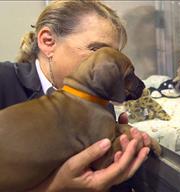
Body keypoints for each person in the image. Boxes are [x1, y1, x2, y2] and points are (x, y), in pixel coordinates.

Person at [0, 0, 151, 191]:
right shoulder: (3, 81)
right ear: (48, 41)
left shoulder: (98, 102)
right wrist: (55, 187)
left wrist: (120, 154)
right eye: (97, 50)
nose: (105, 64)